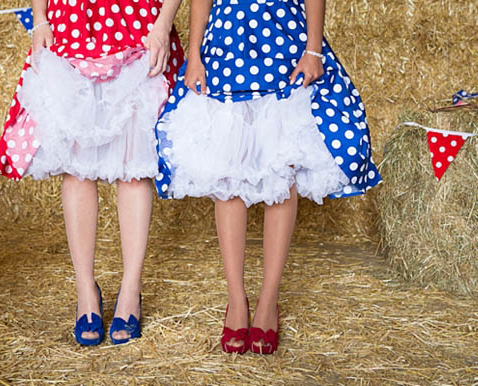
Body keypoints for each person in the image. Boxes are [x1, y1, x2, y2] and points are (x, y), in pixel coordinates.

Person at [154, 0, 382, 354]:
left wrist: (314, 49)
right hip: (226, 45)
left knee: (281, 169)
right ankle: (236, 299)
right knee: (227, 175)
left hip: (283, 42)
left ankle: (268, 299)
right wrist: (195, 54)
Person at [0, 0, 184, 346]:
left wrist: (163, 24)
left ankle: (130, 290)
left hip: (136, 25)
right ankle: (86, 290)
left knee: (134, 169)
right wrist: (39, 20)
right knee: (77, 170)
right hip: (72, 26)